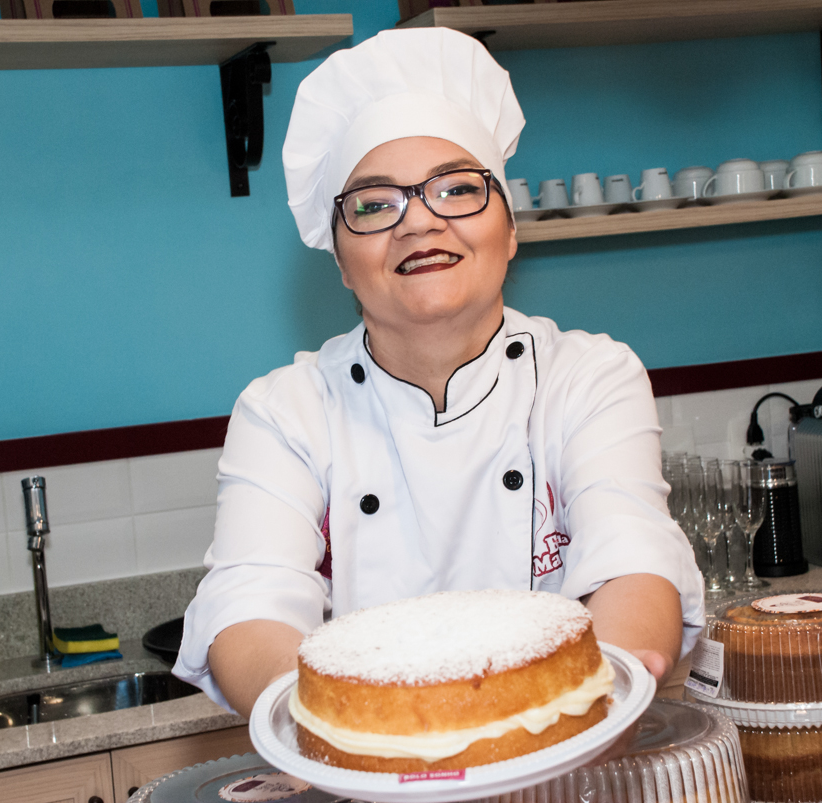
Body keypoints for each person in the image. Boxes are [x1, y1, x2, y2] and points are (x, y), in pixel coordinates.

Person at [174, 28, 704, 718]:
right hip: (363, 759)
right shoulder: (286, 411)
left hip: (568, 746)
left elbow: (633, 562)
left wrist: (599, 690)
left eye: (456, 189)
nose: (419, 222)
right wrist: (367, 727)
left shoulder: (588, 377)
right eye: (374, 205)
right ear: (340, 262)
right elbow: (248, 611)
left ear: (510, 230)